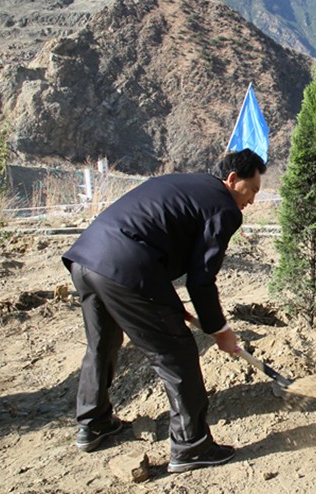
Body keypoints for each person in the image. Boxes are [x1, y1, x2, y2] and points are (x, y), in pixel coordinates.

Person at [62, 149, 266, 473]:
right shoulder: (224, 207)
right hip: (126, 266)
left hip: (86, 258)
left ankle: (93, 422)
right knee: (176, 352)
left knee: (102, 343)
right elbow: (201, 279)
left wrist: (167, 301)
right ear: (232, 179)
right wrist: (219, 329)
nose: (252, 200)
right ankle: (192, 445)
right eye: (252, 189)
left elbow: (156, 234)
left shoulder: (189, 186)